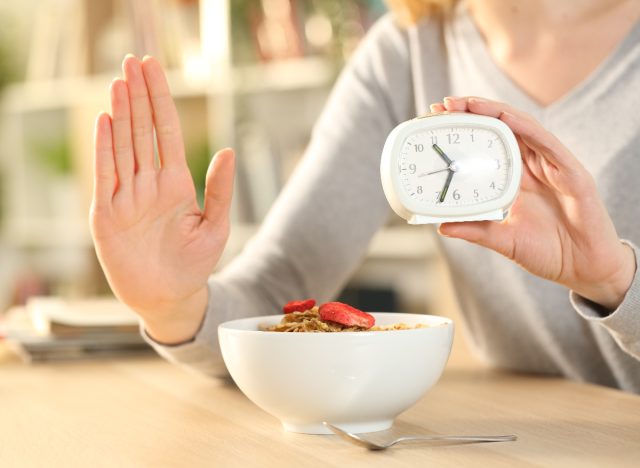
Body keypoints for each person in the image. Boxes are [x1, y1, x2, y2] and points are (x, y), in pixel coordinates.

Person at [90, 0, 640, 392]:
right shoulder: (406, 51)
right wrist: (175, 305)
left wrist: (614, 280)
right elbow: (279, 291)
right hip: (517, 441)